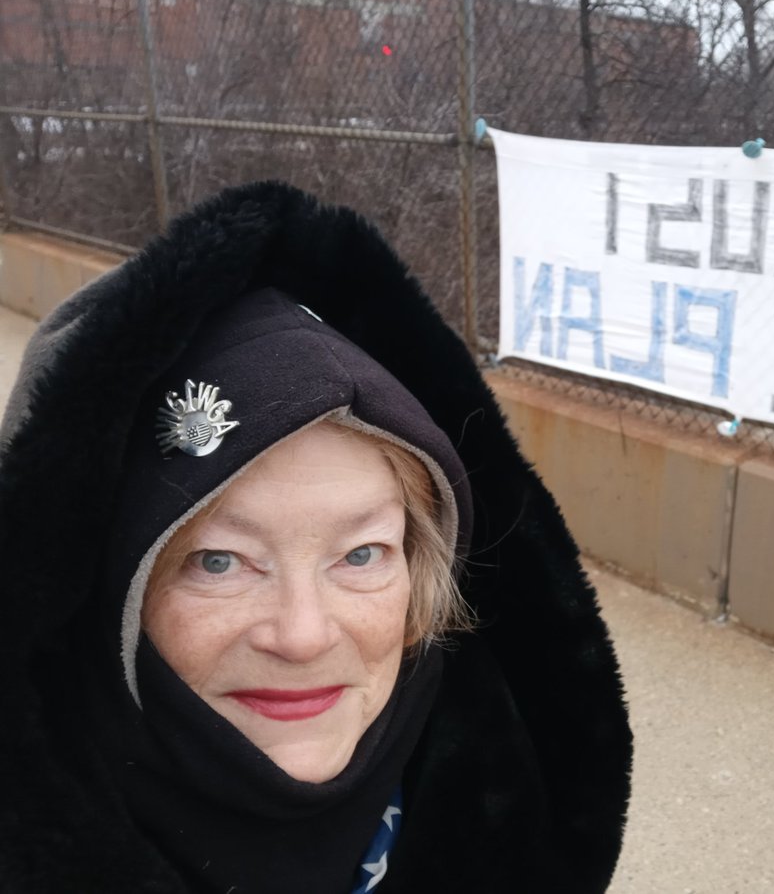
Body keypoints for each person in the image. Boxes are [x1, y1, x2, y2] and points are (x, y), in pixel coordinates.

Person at [0, 182, 632, 893]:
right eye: (218, 562)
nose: (302, 637)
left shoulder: (512, 818)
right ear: (110, 591)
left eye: (361, 554)